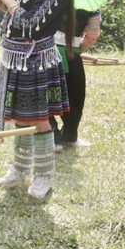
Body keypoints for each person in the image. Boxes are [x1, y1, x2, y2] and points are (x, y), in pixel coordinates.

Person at [0, 0, 75, 199]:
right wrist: (5, 4)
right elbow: (18, 15)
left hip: (35, 61)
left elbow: (30, 24)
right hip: (15, 59)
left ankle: (43, 177)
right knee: (20, 118)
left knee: (39, 121)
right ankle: (19, 170)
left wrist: (11, 2)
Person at [50, 9, 102, 149]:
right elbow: (92, 36)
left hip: (44, 52)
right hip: (72, 55)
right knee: (75, 98)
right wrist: (77, 49)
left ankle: (51, 136)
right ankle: (70, 135)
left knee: (46, 96)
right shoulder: (91, 4)